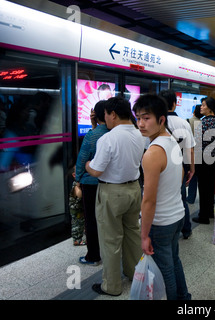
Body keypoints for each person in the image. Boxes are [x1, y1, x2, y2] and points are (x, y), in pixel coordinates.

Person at [85, 97, 145, 296]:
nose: (106, 120)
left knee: (110, 239)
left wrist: (87, 165)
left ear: (113, 114)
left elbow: (96, 171)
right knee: (132, 235)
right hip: (134, 189)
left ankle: (111, 286)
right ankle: (134, 274)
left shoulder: (108, 139)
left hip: (112, 193)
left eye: (105, 115)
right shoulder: (139, 134)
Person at [134, 94, 191, 300]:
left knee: (165, 268)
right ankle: (184, 297)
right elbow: (181, 175)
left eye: (146, 118)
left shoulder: (152, 152)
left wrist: (144, 235)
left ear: (161, 119)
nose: (140, 123)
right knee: (174, 261)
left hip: (161, 222)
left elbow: (149, 200)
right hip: (177, 215)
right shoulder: (172, 142)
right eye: (138, 117)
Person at [75, 100, 109, 266]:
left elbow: (82, 159)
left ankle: (93, 256)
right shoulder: (113, 132)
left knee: (91, 220)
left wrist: (77, 180)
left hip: (91, 183)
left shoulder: (92, 135)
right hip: (110, 183)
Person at [159, 89, 196, 239]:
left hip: (159, 167)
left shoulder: (156, 123)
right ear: (174, 104)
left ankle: (164, 229)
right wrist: (192, 169)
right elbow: (190, 150)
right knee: (181, 199)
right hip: (179, 167)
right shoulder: (183, 123)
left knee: (160, 197)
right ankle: (186, 230)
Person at [192, 97, 215, 224]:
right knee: (209, 187)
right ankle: (209, 211)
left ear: (209, 107)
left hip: (202, 159)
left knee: (203, 188)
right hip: (212, 158)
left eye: (203, 105)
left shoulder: (203, 123)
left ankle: (203, 216)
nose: (201, 107)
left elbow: (197, 143)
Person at [186, 104, 202, 204]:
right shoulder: (202, 123)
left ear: (194, 111)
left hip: (190, 152)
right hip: (199, 153)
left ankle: (189, 197)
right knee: (196, 176)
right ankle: (193, 197)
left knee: (189, 175)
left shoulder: (188, 121)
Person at [69, 166, 85, 246]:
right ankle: (77, 240)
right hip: (76, 210)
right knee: (77, 225)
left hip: (80, 209)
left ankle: (80, 237)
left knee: (81, 223)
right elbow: (79, 195)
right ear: (74, 175)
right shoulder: (76, 185)